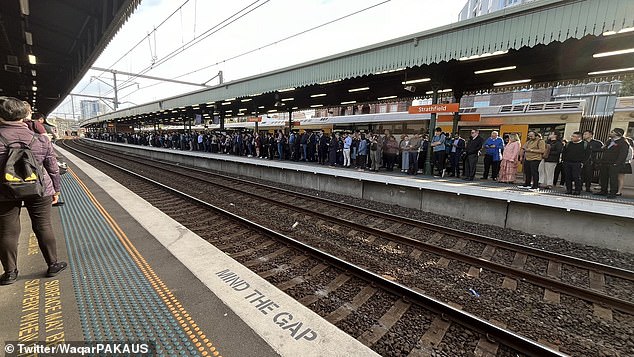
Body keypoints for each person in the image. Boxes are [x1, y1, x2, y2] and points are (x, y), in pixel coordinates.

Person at [0, 97, 67, 285]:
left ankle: (10, 273)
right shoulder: (40, 139)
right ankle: (53, 264)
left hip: (4, 191)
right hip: (39, 188)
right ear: (24, 115)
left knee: (7, 231)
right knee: (43, 226)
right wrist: (56, 189)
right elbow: (52, 167)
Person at [595, 128, 630, 198]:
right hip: (605, 162)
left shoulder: (623, 143)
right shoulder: (609, 141)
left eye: (612, 132)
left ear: (618, 133)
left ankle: (613, 193)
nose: (610, 133)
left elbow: (623, 155)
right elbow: (603, 149)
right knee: (603, 177)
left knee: (613, 179)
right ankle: (603, 191)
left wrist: (617, 163)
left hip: (614, 163)